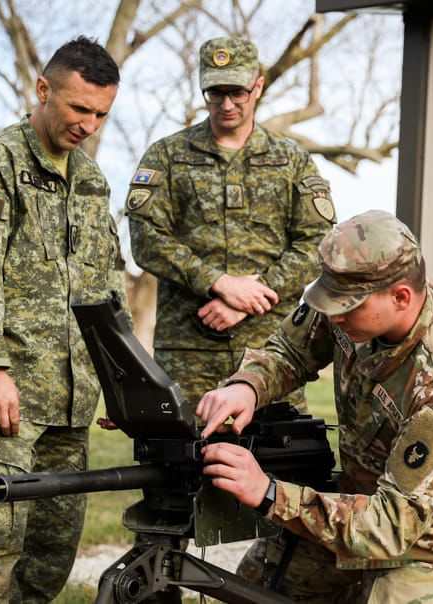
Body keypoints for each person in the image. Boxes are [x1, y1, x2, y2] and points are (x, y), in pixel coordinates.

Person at [196, 210, 433, 603]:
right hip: (355, 502)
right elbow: (292, 349)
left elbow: (392, 526)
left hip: (430, 540)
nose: (334, 315)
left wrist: (269, 493)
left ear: (401, 297)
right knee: (253, 592)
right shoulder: (352, 299)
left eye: (347, 306)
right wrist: (248, 386)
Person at [0, 37, 128, 603]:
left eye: (101, 114)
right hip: (3, 401)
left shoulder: (90, 181)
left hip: (69, 405)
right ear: (43, 89)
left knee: (47, 562)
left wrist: (121, 381)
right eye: (79, 108)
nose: (88, 124)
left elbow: (106, 285)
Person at [126, 36, 335, 409]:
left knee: (275, 459)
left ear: (258, 84)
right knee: (182, 458)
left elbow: (318, 243)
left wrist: (250, 298)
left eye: (237, 91)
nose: (226, 104)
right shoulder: (168, 155)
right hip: (188, 351)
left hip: (270, 351)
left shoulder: (291, 160)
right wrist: (217, 282)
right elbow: (146, 239)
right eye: (215, 92)